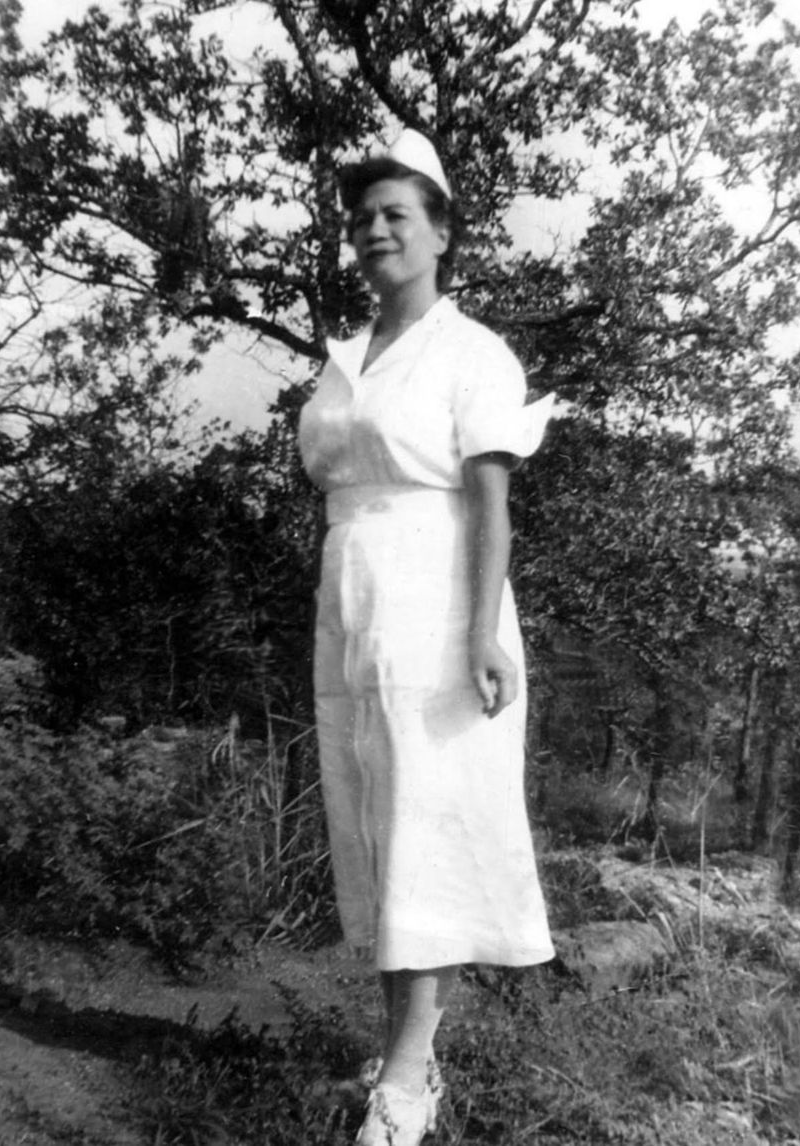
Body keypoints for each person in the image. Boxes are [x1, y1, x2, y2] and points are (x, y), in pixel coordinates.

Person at [298, 129, 556, 1146]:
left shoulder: (474, 353)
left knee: (431, 828)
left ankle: (408, 1079)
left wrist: (483, 633)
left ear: (441, 231)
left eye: (397, 214)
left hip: (440, 598)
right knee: (372, 818)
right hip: (355, 594)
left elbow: (491, 505)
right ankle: (402, 1048)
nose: (375, 232)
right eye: (362, 219)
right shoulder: (348, 357)